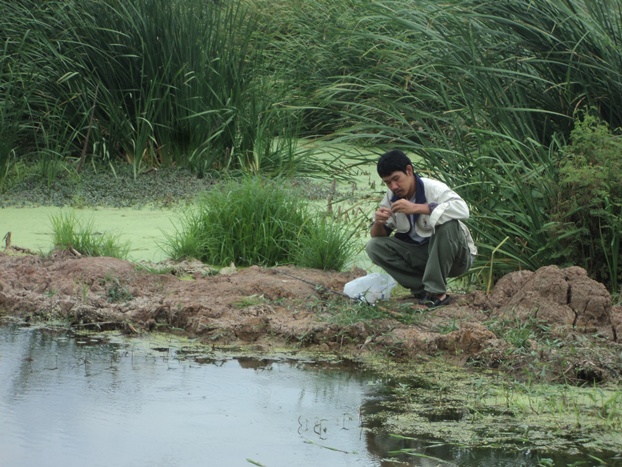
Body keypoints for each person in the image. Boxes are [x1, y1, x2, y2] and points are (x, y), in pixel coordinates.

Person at [366, 149, 477, 307]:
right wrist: (378, 222)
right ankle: (423, 289)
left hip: (457, 258)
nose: (394, 186)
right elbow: (377, 236)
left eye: (396, 179)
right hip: (425, 256)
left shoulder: (433, 188)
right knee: (374, 247)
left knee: (448, 223)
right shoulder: (391, 197)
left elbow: (463, 210)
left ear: (409, 170)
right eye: (388, 182)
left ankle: (438, 293)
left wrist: (417, 208)